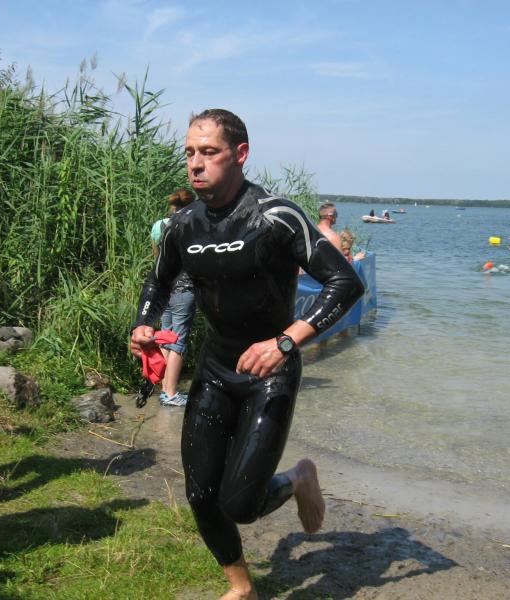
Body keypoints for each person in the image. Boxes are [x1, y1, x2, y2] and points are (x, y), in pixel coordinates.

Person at [130, 109, 364, 600]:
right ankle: (242, 588)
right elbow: (158, 281)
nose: (195, 164)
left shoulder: (276, 216)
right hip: (216, 368)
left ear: (240, 154)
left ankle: (298, 477)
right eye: (189, 153)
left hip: (270, 373)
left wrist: (286, 341)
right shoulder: (182, 225)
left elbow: (345, 282)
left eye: (208, 152)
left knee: (239, 504)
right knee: (200, 495)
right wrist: (144, 324)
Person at [149, 188, 197, 407]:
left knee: (166, 337)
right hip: (184, 288)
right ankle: (170, 392)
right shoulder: (191, 227)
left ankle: (163, 388)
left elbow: (157, 258)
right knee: (178, 341)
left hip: (164, 289)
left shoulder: (159, 225)